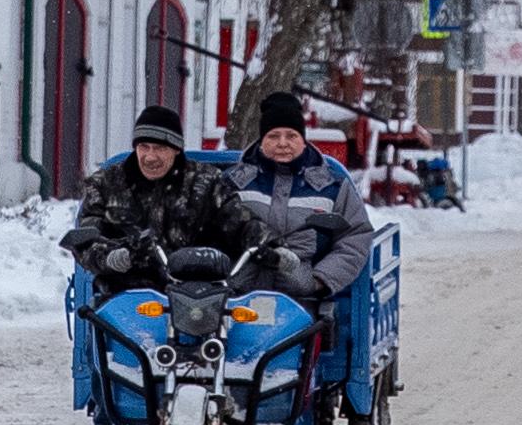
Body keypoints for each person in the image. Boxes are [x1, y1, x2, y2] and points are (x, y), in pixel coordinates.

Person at [67, 105, 263, 280]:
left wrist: (268, 247)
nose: (150, 157)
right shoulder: (105, 184)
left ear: (176, 149)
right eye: (144, 147)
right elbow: (85, 240)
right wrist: (112, 257)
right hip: (126, 292)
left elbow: (242, 224)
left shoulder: (207, 182)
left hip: (196, 292)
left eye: (160, 148)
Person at [228, 90, 377, 301]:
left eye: (291, 136)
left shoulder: (332, 186)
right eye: (273, 136)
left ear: (303, 140)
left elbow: (356, 237)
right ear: (261, 140)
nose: (282, 143)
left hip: (304, 303)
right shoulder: (233, 182)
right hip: (238, 300)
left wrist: (320, 280)